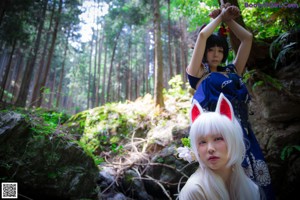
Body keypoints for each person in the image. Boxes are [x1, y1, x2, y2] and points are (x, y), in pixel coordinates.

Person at [185, 4, 275, 200]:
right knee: (228, 185)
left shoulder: (233, 71)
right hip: (218, 137)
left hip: (245, 134)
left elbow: (247, 38)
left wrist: (228, 20)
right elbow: (201, 37)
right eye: (211, 50)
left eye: (220, 50)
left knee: (259, 182)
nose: (216, 54)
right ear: (204, 52)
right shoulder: (198, 74)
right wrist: (218, 18)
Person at [179, 93, 263, 200]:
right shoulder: (195, 190)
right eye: (202, 142)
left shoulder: (250, 187)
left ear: (233, 140)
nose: (210, 149)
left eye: (218, 139)